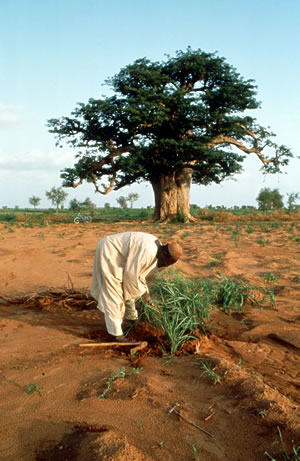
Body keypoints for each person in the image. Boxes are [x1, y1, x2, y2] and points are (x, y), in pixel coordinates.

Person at [91, 231, 183, 342]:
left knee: (129, 288)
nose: (165, 265)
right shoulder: (149, 252)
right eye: (167, 262)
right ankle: (116, 334)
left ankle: (131, 318)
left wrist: (145, 293)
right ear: (164, 254)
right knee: (113, 292)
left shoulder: (157, 250)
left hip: (121, 257)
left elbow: (138, 277)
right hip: (110, 252)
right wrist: (145, 294)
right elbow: (131, 277)